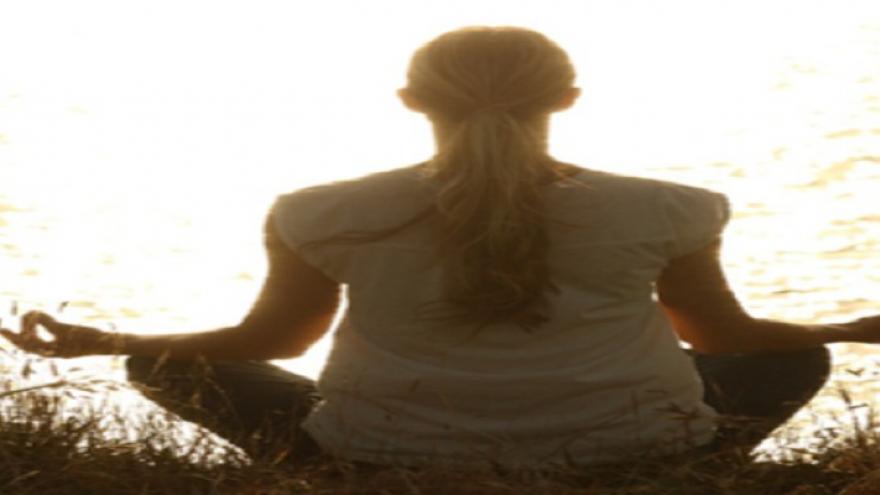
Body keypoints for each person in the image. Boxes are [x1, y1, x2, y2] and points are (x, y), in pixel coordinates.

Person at [2, 26, 880, 468]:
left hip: (376, 453)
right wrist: (847, 325)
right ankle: (647, 460)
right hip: (637, 447)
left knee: (161, 364)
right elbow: (724, 339)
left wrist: (110, 341)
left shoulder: (318, 209)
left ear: (410, 100)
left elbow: (274, 345)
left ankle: (334, 473)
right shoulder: (671, 206)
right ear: (569, 98)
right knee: (794, 356)